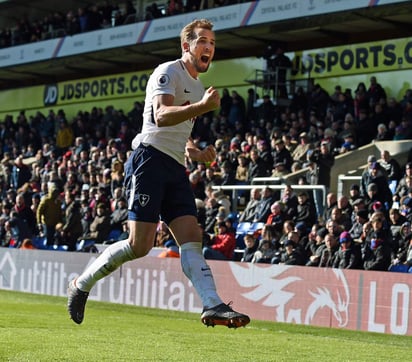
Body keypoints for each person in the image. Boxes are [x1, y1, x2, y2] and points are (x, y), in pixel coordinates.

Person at [67, 19, 249, 329]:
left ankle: (212, 304)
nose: (209, 47)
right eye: (203, 40)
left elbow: (179, 131)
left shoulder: (197, 85)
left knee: (192, 236)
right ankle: (81, 284)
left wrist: (196, 151)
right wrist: (203, 107)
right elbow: (161, 116)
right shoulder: (168, 72)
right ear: (186, 46)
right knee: (140, 245)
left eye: (213, 43)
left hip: (175, 166)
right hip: (148, 160)